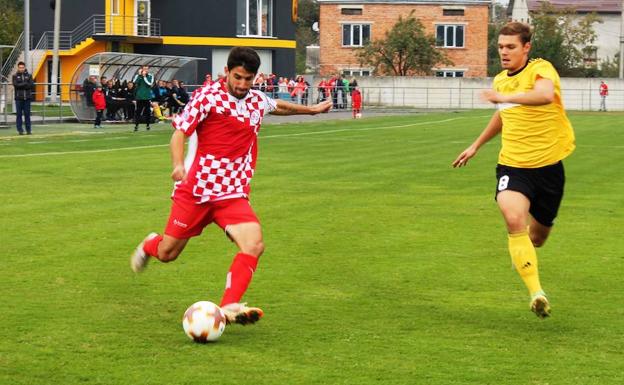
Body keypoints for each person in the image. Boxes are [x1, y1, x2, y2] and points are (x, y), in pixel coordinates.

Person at [130, 47, 333, 325]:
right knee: (168, 253)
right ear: (226, 72)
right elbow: (180, 133)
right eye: (237, 77)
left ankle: (229, 306)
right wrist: (178, 164)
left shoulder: (256, 100)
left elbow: (279, 106)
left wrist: (312, 110)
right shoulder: (207, 97)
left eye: (248, 79)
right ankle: (150, 244)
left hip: (232, 194)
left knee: (254, 244)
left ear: (255, 77)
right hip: (196, 190)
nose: (242, 85)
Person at [452, 22, 575, 319]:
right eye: (500, 47)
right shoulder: (500, 81)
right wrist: (476, 145)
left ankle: (523, 253)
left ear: (526, 47)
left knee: (537, 238)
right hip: (513, 165)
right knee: (512, 216)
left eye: (511, 47)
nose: (504, 52)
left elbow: (544, 96)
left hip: (548, 169)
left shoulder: (541, 69)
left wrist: (506, 98)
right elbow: (503, 117)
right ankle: (537, 294)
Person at [12, 61, 34, 135]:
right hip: (18, 99)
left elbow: (31, 85)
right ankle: (20, 130)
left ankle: (28, 130)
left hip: (27, 98)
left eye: (22, 67)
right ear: (18, 68)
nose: (21, 69)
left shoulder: (29, 75)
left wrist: (21, 85)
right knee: (19, 115)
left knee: (27, 115)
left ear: (24, 68)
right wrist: (25, 83)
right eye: (20, 67)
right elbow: (16, 85)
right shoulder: (14, 76)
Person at [132, 65, 154, 131]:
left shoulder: (151, 76)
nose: (145, 70)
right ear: (141, 69)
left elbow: (149, 84)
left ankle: (147, 125)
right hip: (139, 97)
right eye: (144, 69)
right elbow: (135, 82)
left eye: (146, 69)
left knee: (148, 112)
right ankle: (136, 126)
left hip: (147, 97)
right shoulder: (138, 76)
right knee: (138, 111)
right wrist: (140, 75)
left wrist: (144, 77)